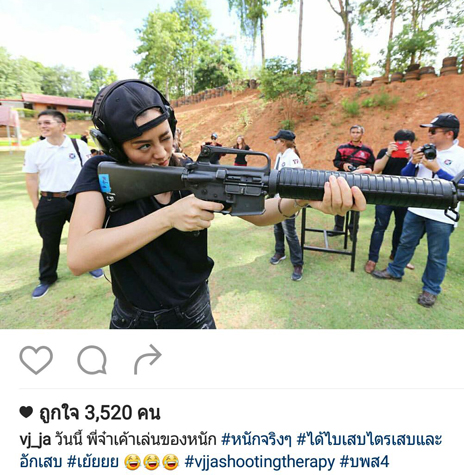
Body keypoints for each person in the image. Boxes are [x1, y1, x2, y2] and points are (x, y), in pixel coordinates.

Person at [66, 80, 367, 329]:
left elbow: (260, 214)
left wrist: (302, 199)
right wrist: (169, 217)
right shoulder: (99, 173)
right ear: (115, 149)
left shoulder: (191, 170)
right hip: (133, 319)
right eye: (143, 146)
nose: (160, 153)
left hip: (194, 311)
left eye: (165, 137)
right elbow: (79, 257)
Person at [372, 113, 464, 308]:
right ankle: (395, 271)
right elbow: (406, 177)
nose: (429, 134)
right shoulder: (423, 150)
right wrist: (413, 162)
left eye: (433, 130)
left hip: (442, 215)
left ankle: (431, 289)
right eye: (428, 130)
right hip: (416, 209)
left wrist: (437, 169)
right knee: (405, 243)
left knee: (437, 254)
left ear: (449, 133)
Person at [22, 109, 103, 299]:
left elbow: (88, 172)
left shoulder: (78, 145)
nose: (42, 126)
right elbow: (31, 179)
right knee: (49, 243)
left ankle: (90, 264)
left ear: (62, 126)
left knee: (85, 236)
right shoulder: (35, 150)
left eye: (47, 122)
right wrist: (37, 204)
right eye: (40, 123)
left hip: (76, 199)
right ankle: (47, 278)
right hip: (49, 201)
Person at [364, 129, 416, 274]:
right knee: (380, 226)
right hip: (385, 194)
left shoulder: (415, 155)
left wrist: (411, 157)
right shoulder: (384, 152)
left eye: (406, 143)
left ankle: (396, 256)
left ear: (411, 143)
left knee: (401, 228)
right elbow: (376, 170)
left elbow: (418, 174)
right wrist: (388, 153)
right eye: (399, 142)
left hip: (405, 196)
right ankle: (372, 259)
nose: (402, 146)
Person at [268, 129, 305, 282]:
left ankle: (298, 264)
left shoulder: (292, 157)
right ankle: (280, 252)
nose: (275, 143)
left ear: (283, 142)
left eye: (276, 141)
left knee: (289, 231)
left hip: (288, 201)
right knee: (277, 227)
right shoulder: (280, 156)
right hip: (277, 199)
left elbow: (298, 179)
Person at [332, 125, 375, 234]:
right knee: (340, 202)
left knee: (356, 204)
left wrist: (364, 167)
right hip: (342, 179)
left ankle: (353, 230)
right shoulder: (341, 147)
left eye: (358, 132)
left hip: (359, 181)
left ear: (362, 134)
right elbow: (336, 161)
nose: (355, 135)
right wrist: (343, 165)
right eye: (353, 132)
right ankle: (338, 228)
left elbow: (372, 165)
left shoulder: (368, 150)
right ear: (350, 134)